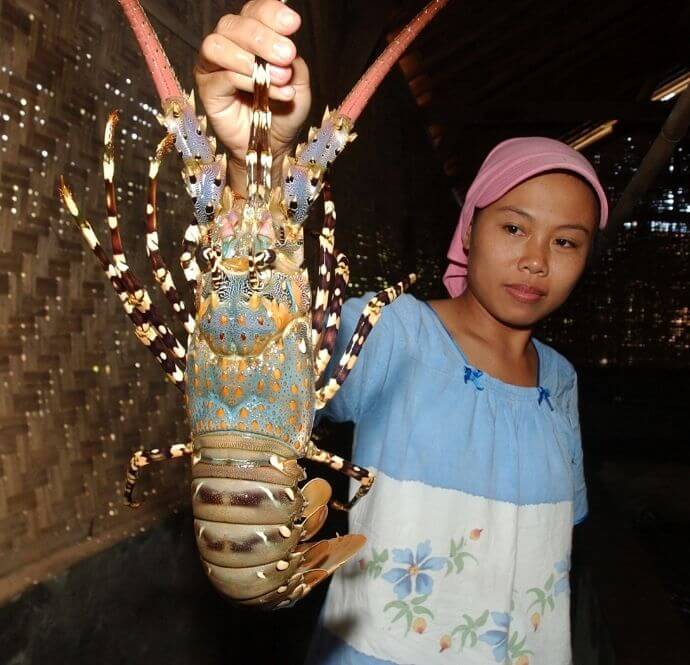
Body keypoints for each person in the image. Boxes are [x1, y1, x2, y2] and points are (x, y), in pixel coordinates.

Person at [195, 2, 609, 663]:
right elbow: (255, 353)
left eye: (567, 241)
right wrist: (257, 162)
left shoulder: (561, 380)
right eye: (513, 226)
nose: (536, 259)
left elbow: (555, 544)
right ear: (469, 229)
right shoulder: (396, 332)